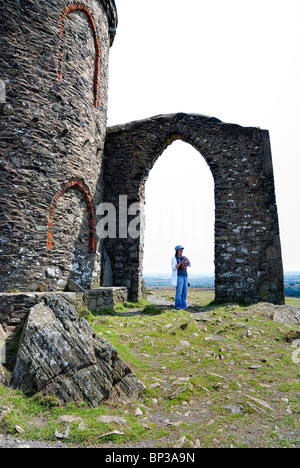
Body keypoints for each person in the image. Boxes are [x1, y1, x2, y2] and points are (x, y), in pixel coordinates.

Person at [171, 245, 191, 309]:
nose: (181, 251)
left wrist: (187, 259)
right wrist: (180, 263)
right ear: (177, 251)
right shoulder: (174, 258)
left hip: (185, 276)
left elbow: (189, 264)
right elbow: (174, 267)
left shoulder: (183, 258)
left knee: (184, 292)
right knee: (179, 292)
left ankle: (184, 306)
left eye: (182, 250)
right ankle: (178, 306)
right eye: (180, 250)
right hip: (179, 276)